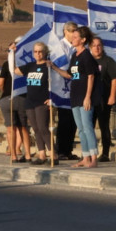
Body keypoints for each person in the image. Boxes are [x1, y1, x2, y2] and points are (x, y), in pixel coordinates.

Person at [51, 26, 100, 168]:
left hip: (85, 97)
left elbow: (91, 77)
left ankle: (93, 158)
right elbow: (69, 74)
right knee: (80, 128)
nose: (73, 38)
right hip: (75, 96)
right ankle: (85, 157)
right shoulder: (75, 55)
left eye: (76, 36)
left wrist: (88, 97)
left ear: (83, 40)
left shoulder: (87, 56)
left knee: (87, 127)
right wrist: (54, 67)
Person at [15, 42, 55, 165]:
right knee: (36, 129)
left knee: (43, 128)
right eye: (35, 51)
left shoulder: (48, 66)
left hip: (42, 101)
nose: (38, 54)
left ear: (45, 52)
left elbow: (57, 83)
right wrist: (13, 53)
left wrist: (52, 98)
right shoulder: (31, 66)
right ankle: (41, 154)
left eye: (40, 51)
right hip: (30, 101)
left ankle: (53, 154)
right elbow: (16, 70)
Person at [0, 40, 32, 163]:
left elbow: (1, 83)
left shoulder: (6, 64)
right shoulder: (27, 65)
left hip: (7, 98)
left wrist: (6, 92)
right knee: (23, 127)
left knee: (10, 128)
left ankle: (13, 155)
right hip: (23, 97)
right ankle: (27, 154)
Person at [90, 38, 116, 163]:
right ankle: (89, 153)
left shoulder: (108, 61)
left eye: (99, 45)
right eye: (94, 46)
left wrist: (112, 96)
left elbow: (114, 79)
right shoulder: (88, 61)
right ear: (90, 48)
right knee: (88, 127)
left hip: (103, 99)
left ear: (102, 47)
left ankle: (105, 153)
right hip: (89, 100)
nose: (97, 48)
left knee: (104, 126)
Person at [56, 22, 79, 161]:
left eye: (75, 31)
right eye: (71, 31)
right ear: (65, 31)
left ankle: (68, 149)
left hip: (74, 87)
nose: (73, 34)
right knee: (64, 120)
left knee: (73, 120)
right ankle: (60, 150)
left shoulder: (76, 48)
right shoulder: (60, 46)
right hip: (63, 87)